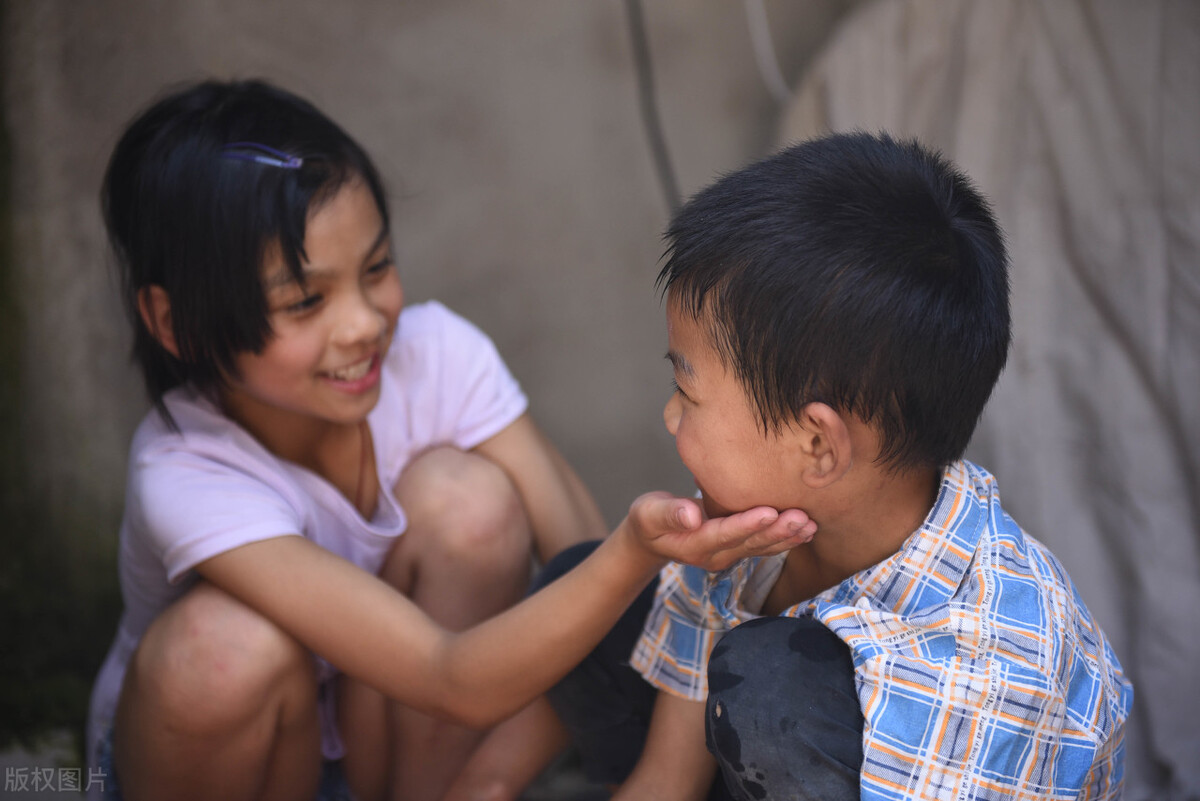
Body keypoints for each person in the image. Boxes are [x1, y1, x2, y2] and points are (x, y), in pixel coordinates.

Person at [84, 78, 817, 801]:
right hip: (238, 761)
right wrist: (634, 552)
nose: (364, 322)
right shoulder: (186, 471)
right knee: (221, 650)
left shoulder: (435, 355)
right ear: (173, 323)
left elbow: (596, 607)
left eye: (377, 268)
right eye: (305, 300)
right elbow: (449, 670)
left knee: (469, 503)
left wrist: (488, 781)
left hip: (401, 751)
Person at [456, 132, 1134, 801]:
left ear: (817, 445)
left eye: (687, 393)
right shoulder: (744, 528)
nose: (668, 415)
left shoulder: (983, 661)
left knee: (773, 683)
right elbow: (665, 780)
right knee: (591, 586)